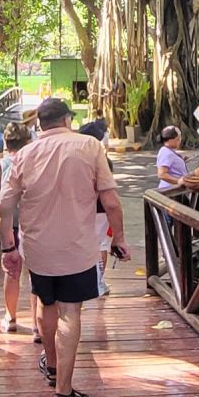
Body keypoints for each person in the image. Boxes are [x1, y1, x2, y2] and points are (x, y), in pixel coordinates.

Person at [0, 98, 130, 397]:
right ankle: (64, 393)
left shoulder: (24, 154)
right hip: (77, 248)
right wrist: (119, 238)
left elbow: (3, 206)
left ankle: (53, 365)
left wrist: (8, 248)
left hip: (38, 249)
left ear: (40, 124)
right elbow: (111, 201)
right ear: (68, 119)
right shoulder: (90, 146)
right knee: (70, 312)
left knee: (46, 303)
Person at [0, 123, 40, 335]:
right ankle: (37, 325)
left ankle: (10, 318)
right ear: (28, 141)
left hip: (9, 226)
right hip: (35, 224)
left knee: (12, 272)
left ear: (6, 142)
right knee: (37, 274)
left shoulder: (0, 165)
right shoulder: (36, 162)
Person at [77, 117, 113, 297]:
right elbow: (107, 190)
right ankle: (98, 282)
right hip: (100, 209)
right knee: (102, 245)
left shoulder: (75, 159)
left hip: (79, 208)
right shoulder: (104, 161)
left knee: (84, 243)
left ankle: (86, 281)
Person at [155, 126, 187, 191]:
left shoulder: (169, 151)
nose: (180, 141)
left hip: (174, 188)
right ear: (170, 140)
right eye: (177, 139)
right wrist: (179, 181)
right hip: (170, 190)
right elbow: (162, 174)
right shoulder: (166, 153)